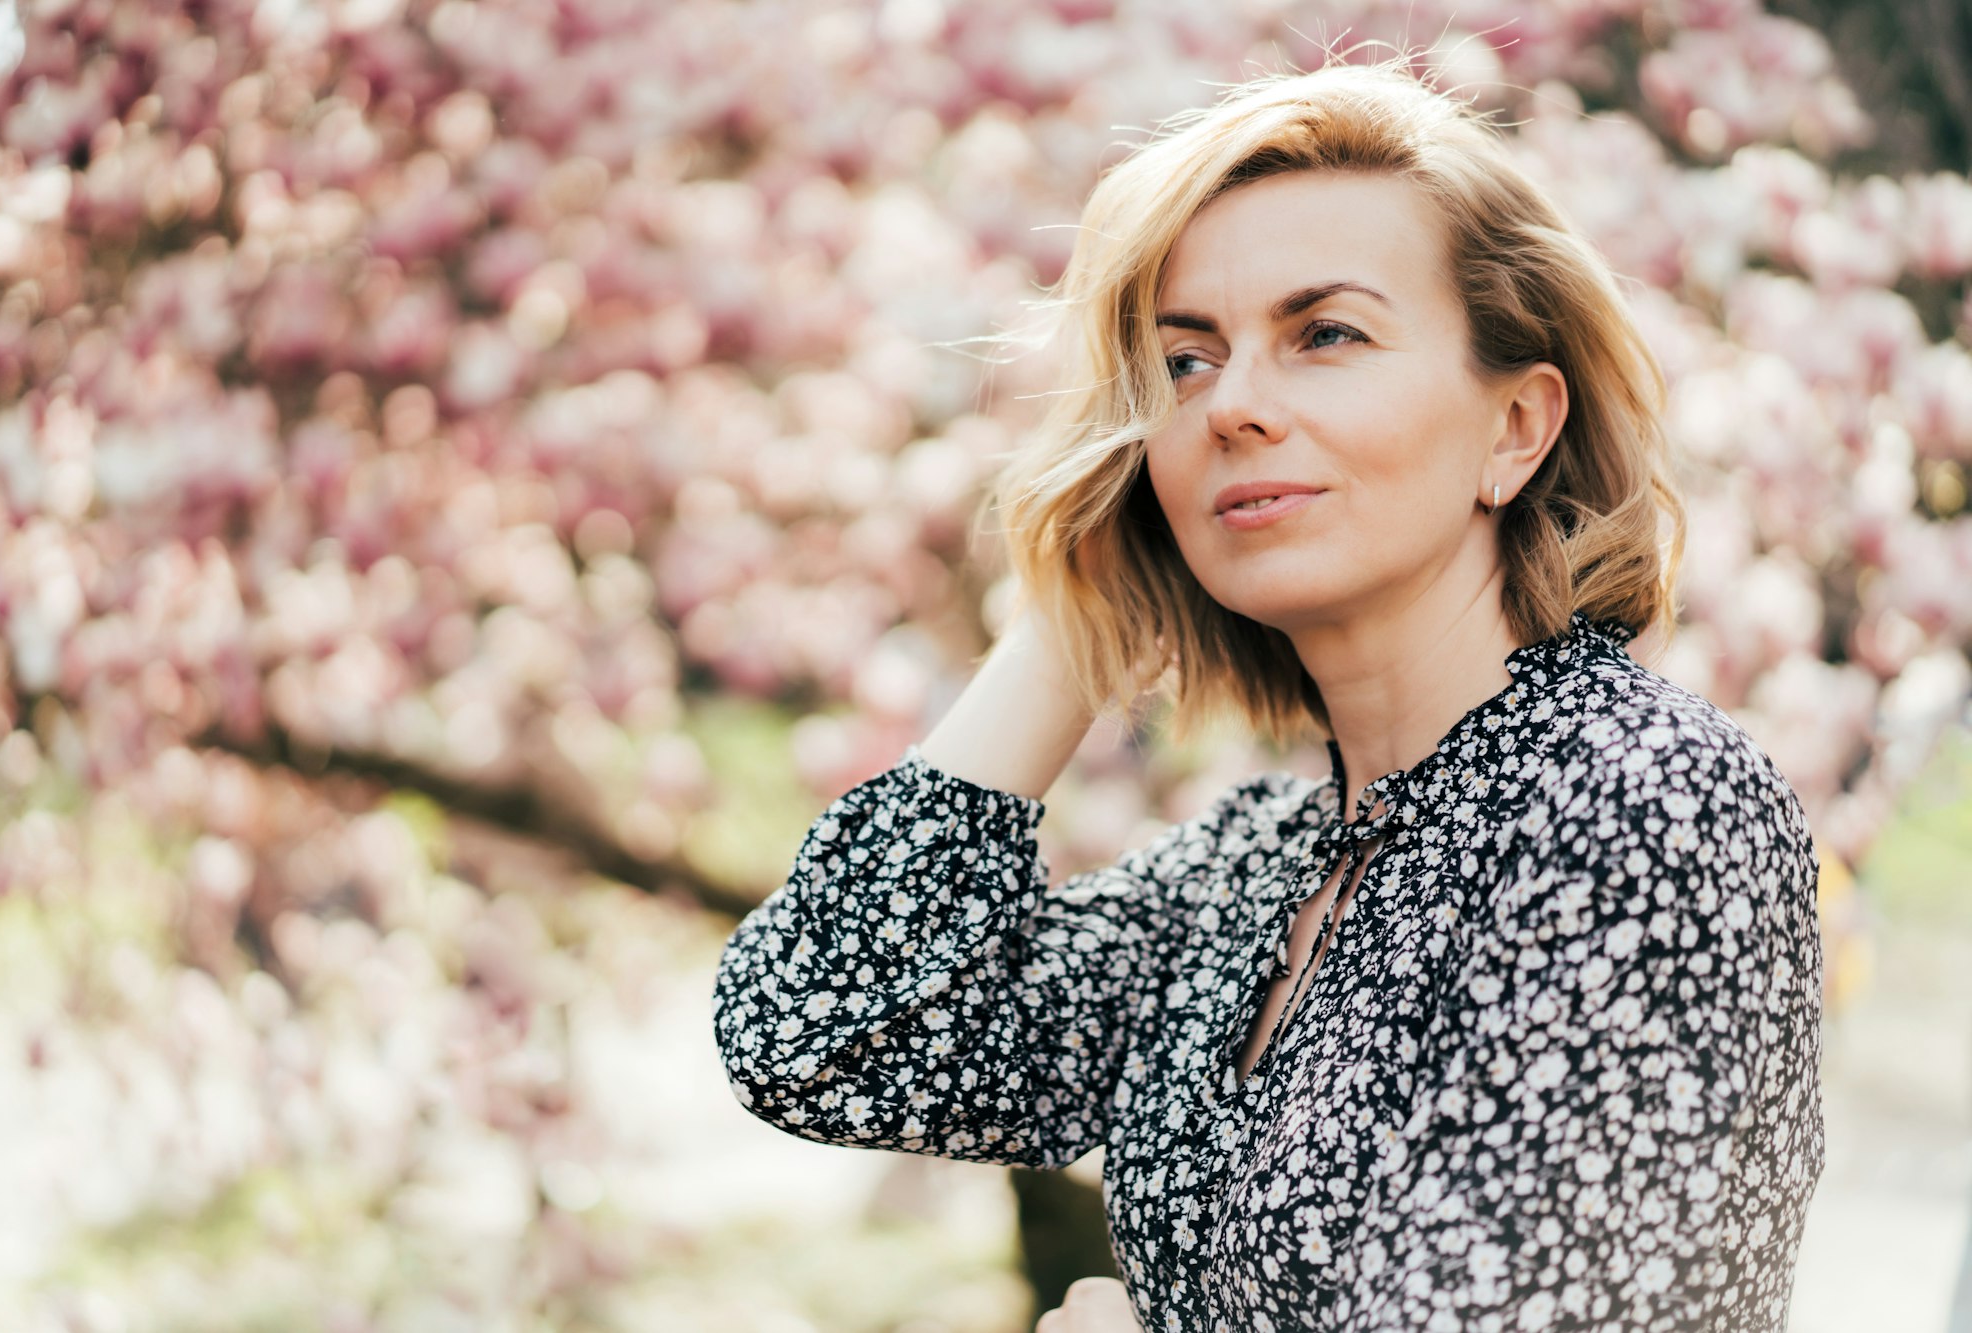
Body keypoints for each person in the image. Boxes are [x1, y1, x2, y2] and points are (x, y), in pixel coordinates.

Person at [711, 54, 1825, 1333]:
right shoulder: (1255, 872)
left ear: (1514, 426)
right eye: (1184, 363)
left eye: (1325, 334)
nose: (1231, 405)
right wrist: (1073, 612)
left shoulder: (1641, 807)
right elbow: (817, 1037)